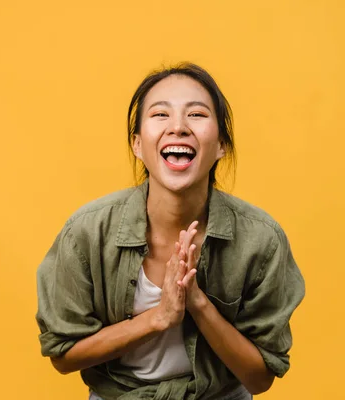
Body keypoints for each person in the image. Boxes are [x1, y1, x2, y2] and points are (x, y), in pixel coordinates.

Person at [35, 63, 305, 400]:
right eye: (160, 114)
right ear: (137, 144)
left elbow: (260, 378)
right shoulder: (87, 232)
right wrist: (159, 317)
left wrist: (198, 303)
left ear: (221, 143)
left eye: (196, 114)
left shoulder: (261, 240)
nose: (178, 127)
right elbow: (63, 356)